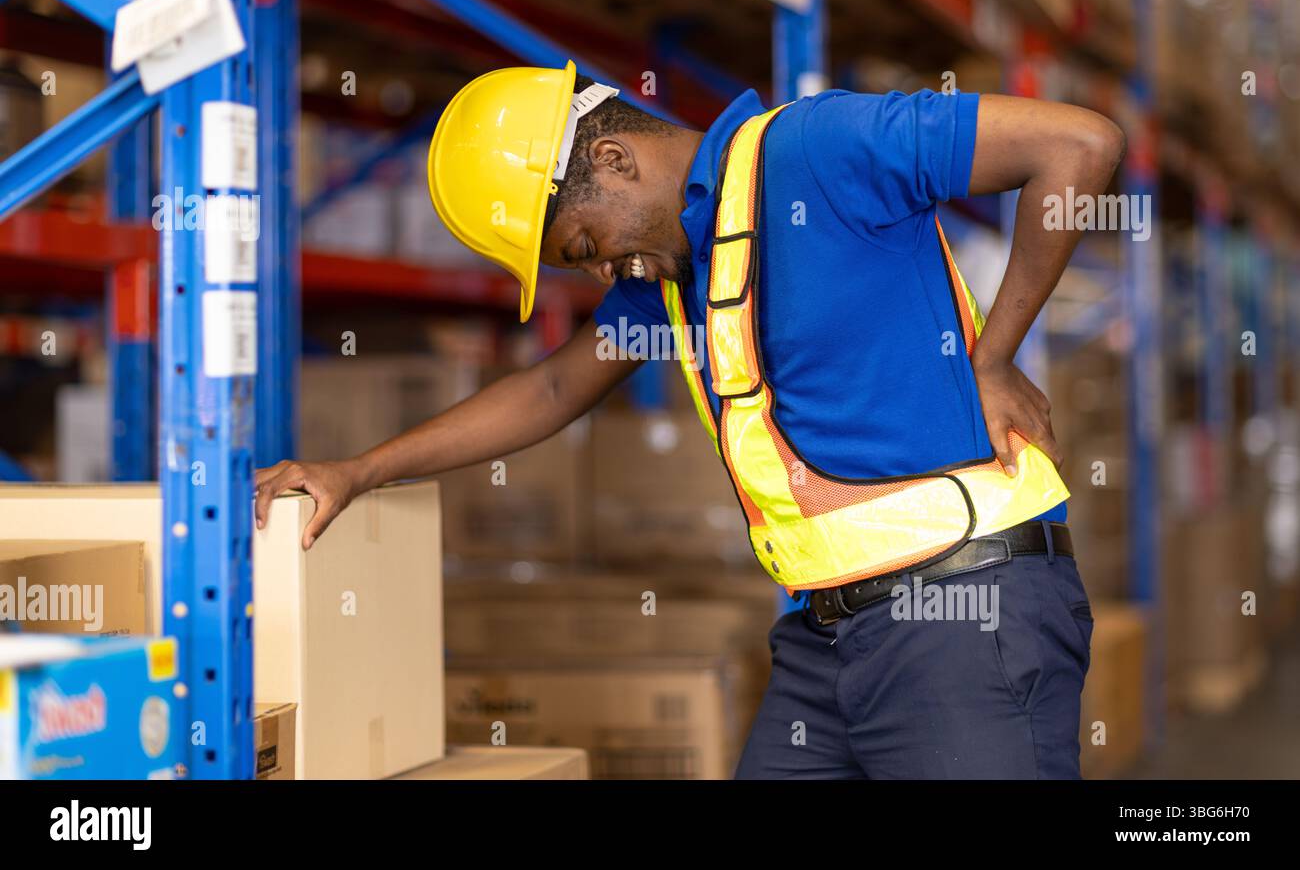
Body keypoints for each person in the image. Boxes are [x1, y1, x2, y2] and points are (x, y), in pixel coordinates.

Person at [257, 61, 1125, 778]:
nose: (603, 273)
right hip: (828, 638)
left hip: (965, 619)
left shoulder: (815, 151)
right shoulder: (676, 277)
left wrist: (995, 355)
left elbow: (1079, 144)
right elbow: (551, 391)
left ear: (616, 161)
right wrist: (356, 470)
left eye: (586, 247)